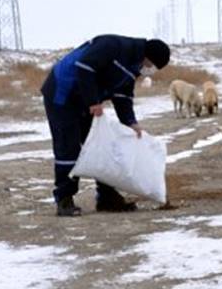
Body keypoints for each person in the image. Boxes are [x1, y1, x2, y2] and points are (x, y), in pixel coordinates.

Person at [40, 35, 170, 216]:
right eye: (151, 66)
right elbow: (85, 67)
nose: (149, 70)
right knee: (68, 148)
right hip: (62, 94)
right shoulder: (113, 46)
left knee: (101, 146)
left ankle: (107, 197)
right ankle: (64, 199)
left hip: (85, 99)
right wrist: (93, 102)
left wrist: (131, 123)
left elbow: (123, 96)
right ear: (147, 56)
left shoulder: (133, 65)